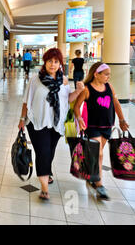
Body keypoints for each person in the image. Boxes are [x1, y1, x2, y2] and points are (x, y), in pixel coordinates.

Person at [18, 48, 84, 200]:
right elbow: (26, 101)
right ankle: (44, 188)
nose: (53, 65)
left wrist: (78, 91)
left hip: (56, 123)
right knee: (43, 152)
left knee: (50, 151)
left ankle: (47, 171)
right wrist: (22, 119)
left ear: (60, 63)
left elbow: (67, 99)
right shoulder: (35, 79)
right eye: (50, 61)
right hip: (37, 122)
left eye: (56, 62)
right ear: (45, 62)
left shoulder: (64, 80)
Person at [74, 62, 129, 200]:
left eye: (109, 75)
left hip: (107, 127)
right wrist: (79, 118)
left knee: (95, 153)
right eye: (106, 74)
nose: (108, 77)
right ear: (96, 74)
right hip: (92, 127)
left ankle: (91, 174)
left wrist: (122, 120)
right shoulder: (87, 89)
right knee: (98, 154)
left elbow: (116, 104)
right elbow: (76, 106)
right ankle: (99, 185)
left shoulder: (109, 87)